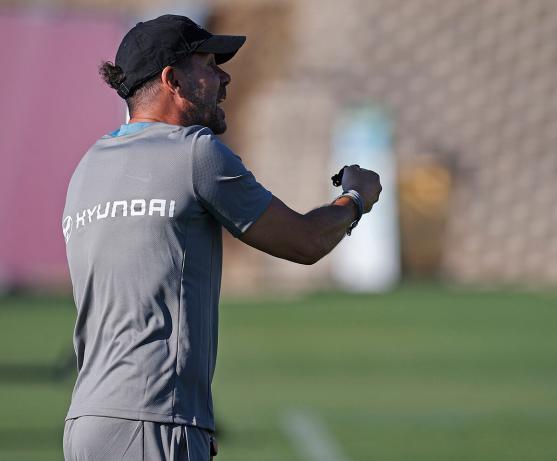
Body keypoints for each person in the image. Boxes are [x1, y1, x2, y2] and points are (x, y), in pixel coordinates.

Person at [61, 14, 381, 461]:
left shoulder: (87, 168)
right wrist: (357, 197)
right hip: (153, 420)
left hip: (87, 423)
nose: (225, 76)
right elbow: (306, 242)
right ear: (173, 79)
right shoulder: (194, 151)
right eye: (209, 64)